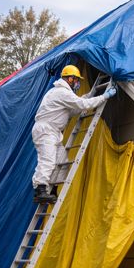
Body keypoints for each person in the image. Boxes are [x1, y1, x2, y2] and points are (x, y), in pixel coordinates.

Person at [31, 65, 117, 204]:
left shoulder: (60, 93)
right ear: (70, 79)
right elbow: (82, 104)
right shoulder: (61, 92)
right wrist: (104, 97)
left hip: (53, 131)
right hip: (46, 130)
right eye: (76, 80)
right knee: (48, 160)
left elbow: (72, 110)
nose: (77, 83)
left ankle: (52, 190)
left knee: (63, 162)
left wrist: (89, 96)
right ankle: (40, 190)